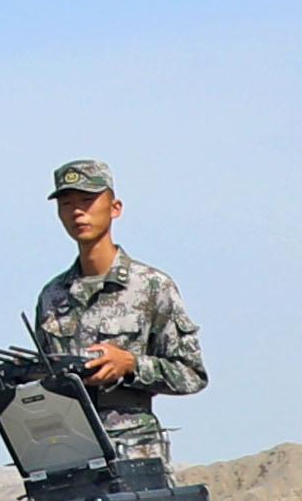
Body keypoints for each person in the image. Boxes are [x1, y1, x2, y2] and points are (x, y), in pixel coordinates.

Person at [30, 162, 208, 474]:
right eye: (67, 204)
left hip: (134, 454)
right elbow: (48, 381)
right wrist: (21, 377)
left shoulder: (151, 286)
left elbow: (191, 373)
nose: (77, 212)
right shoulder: (52, 296)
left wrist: (131, 365)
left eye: (87, 201)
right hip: (68, 456)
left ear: (115, 208)